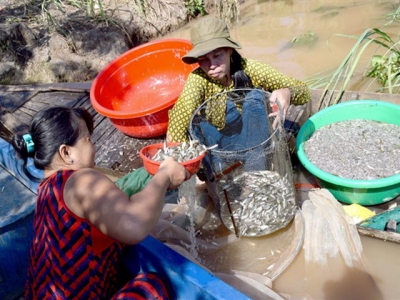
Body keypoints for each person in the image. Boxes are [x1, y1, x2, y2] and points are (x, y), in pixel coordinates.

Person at [11, 106, 188, 299]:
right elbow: (134, 226)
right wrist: (164, 175)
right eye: (88, 139)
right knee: (152, 286)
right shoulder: (80, 180)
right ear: (67, 153)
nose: (94, 147)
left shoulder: (46, 190)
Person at [166, 17, 311, 181]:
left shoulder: (250, 68)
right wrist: (188, 163)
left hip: (255, 140)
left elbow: (304, 91)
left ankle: (254, 175)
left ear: (229, 50)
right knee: (193, 122)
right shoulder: (198, 80)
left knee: (255, 97)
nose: (211, 65)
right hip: (218, 145)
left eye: (217, 55)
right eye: (203, 59)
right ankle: (218, 170)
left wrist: (287, 92)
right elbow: (179, 119)